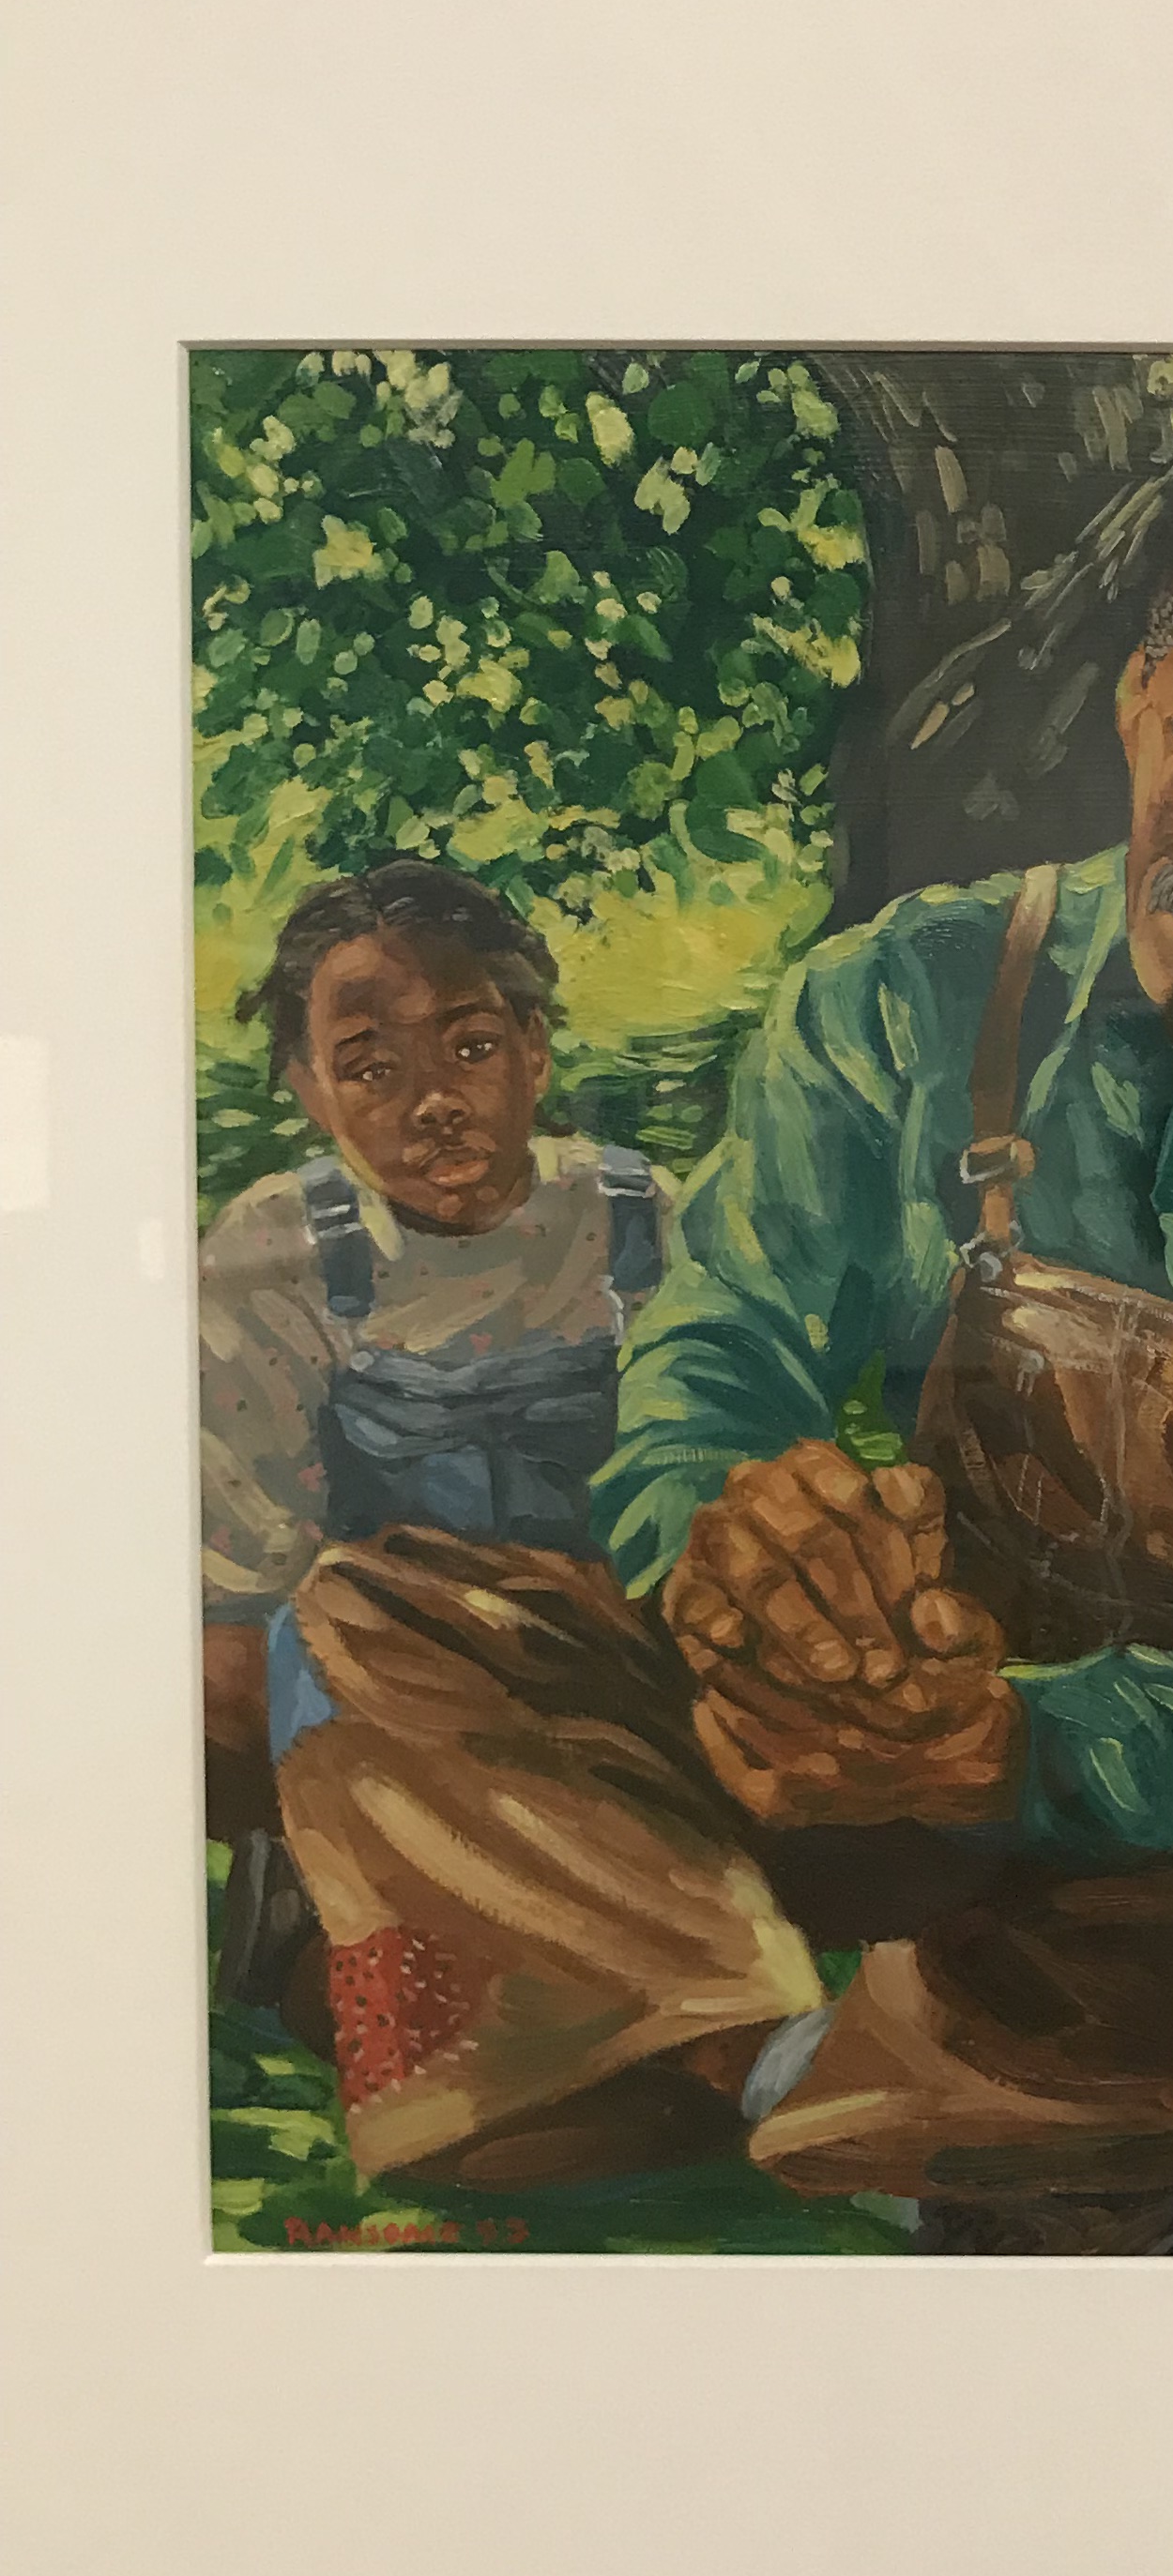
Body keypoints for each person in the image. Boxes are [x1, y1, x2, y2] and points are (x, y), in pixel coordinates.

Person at [285, 438, 1173, 2239]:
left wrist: (1020, 1757)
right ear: (1135, 702)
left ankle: (757, 2075)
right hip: (847, 1748)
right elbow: (714, 1363)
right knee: (383, 1622)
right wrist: (742, 1566)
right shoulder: (902, 992)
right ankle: (936, 2099)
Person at [198, 861, 817, 2183]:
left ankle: (673, 2050)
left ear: (535, 1048)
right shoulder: (276, 1253)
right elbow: (240, 1592)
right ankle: (741, 2051)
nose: (432, 1101)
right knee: (347, 1613)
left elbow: (720, 1482)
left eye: (472, 1047)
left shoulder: (640, 1223)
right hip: (399, 1691)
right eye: (369, 1070)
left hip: (614, 1664)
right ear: (308, 1090)